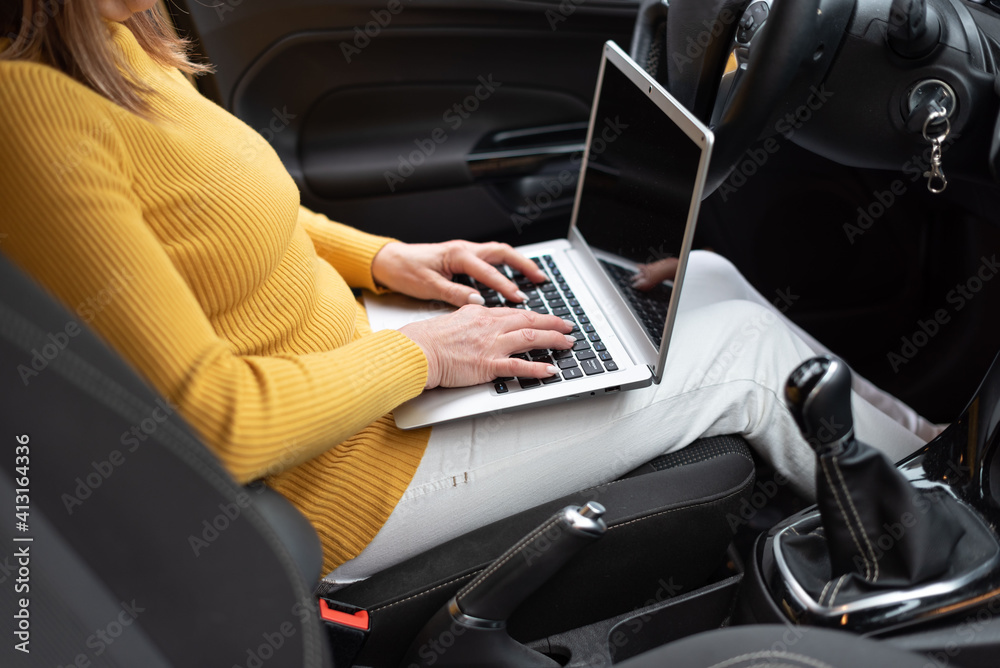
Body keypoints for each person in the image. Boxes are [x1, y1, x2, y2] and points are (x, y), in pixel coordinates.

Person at [0, 0, 940, 581]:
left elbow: (231, 213)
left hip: (363, 360)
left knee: (705, 278)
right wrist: (423, 356)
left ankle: (923, 462)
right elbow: (214, 425)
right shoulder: (29, 115)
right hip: (341, 475)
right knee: (739, 356)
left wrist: (388, 261)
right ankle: (945, 547)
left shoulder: (106, 40)